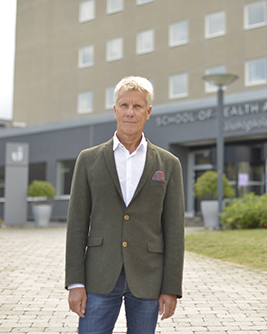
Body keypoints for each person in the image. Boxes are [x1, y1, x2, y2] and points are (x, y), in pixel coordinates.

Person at [65, 76, 185, 334]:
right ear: (115, 110)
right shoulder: (88, 160)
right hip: (98, 276)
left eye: (138, 106)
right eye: (124, 105)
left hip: (148, 277)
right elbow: (76, 224)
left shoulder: (169, 164)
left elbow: (174, 230)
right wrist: (75, 282)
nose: (130, 112)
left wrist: (171, 287)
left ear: (148, 112)